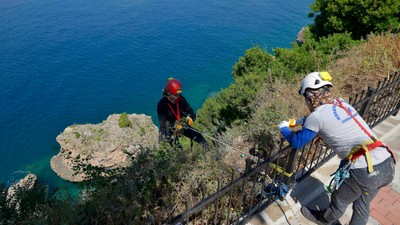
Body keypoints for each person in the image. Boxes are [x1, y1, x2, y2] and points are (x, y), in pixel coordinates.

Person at [278, 71, 396, 225]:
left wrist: (283, 128)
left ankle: (323, 219)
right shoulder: (341, 103)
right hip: (387, 163)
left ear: (309, 96)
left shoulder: (316, 117)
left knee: (338, 200)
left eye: (305, 99)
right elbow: (325, 117)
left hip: (365, 170)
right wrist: (298, 121)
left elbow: (297, 142)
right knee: (362, 205)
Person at [157, 78, 209, 150]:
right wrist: (174, 127)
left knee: (199, 137)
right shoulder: (162, 105)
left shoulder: (181, 100)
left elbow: (190, 111)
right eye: (176, 95)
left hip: (182, 125)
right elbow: (163, 123)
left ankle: (210, 154)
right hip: (169, 130)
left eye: (179, 94)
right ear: (169, 93)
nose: (178, 97)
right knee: (176, 150)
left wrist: (190, 118)